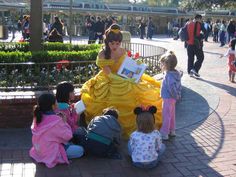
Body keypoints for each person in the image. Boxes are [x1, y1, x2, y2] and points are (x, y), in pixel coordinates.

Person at [80, 24, 162, 138]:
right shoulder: (102, 54)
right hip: (109, 79)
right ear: (107, 41)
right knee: (124, 89)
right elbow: (109, 74)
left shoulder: (122, 50)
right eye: (112, 43)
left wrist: (136, 65)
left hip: (124, 76)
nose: (115, 46)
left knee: (141, 89)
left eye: (117, 43)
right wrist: (126, 79)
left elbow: (127, 66)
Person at [29, 93, 84, 168]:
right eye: (56, 102)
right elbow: (68, 136)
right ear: (53, 106)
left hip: (39, 150)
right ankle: (60, 155)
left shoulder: (38, 116)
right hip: (51, 151)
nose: (57, 103)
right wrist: (64, 122)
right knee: (80, 150)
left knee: (69, 143)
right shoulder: (56, 121)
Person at [159, 51, 182, 140]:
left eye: (162, 63)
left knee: (166, 115)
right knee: (171, 114)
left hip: (168, 98)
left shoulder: (169, 76)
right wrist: (177, 96)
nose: (161, 65)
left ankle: (164, 133)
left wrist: (175, 95)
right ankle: (172, 130)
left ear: (167, 65)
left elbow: (171, 88)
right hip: (172, 99)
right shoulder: (176, 74)